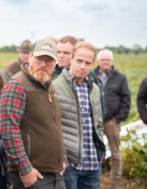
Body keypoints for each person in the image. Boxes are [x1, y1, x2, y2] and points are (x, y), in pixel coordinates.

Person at [0, 38, 65, 189]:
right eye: (39, 58)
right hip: (33, 175)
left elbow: (55, 126)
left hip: (55, 172)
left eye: (48, 60)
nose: (43, 64)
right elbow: (9, 131)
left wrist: (63, 157)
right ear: (29, 57)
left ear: (55, 63)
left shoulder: (49, 85)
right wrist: (25, 168)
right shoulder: (17, 85)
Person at [53, 42, 105, 189]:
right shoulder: (55, 87)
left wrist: (99, 152)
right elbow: (52, 126)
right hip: (69, 165)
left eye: (88, 63)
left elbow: (98, 123)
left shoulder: (94, 88)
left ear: (93, 64)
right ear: (71, 60)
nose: (83, 66)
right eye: (79, 61)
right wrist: (62, 158)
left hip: (92, 163)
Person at [94, 49, 131, 189]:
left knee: (115, 153)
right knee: (95, 150)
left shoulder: (120, 78)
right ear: (98, 61)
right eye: (103, 60)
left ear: (111, 62)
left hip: (112, 121)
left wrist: (119, 118)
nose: (105, 62)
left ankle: (116, 182)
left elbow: (126, 99)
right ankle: (95, 179)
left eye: (108, 60)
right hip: (95, 120)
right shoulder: (92, 75)